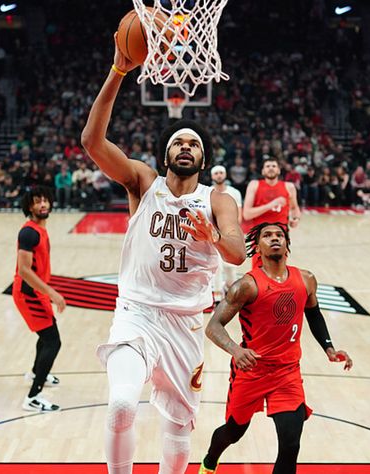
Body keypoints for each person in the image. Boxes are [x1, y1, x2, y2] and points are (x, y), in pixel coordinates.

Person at [81, 35, 246, 474]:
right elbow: (92, 141)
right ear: (166, 154)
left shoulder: (218, 200)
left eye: (194, 143)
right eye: (178, 142)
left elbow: (236, 254)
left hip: (185, 323)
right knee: (121, 404)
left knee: (177, 426)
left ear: (203, 159)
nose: (186, 146)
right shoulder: (143, 183)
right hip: (136, 313)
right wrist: (118, 71)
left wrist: (212, 234)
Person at [199, 222, 352, 474]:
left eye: (279, 235)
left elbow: (314, 314)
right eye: (267, 235)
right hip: (251, 371)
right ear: (257, 247)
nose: (274, 238)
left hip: (287, 373)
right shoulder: (246, 286)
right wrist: (236, 350)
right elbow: (213, 326)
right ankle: (210, 460)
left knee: (290, 445)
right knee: (234, 432)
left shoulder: (306, 279)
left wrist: (329, 348)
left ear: (287, 245)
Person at [12, 186, 66, 412]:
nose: (43, 204)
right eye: (37, 201)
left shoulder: (40, 229)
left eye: (45, 200)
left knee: (46, 337)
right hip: (28, 294)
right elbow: (24, 270)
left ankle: (36, 373)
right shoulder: (29, 233)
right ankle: (33, 397)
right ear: (29, 206)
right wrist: (52, 293)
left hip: (36, 292)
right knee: (53, 341)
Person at [243, 157, 301, 267]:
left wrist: (296, 218)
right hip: (260, 235)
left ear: (279, 170)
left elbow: (294, 208)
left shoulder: (289, 186)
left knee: (279, 269)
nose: (271, 168)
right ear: (263, 171)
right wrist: (270, 205)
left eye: (274, 166)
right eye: (268, 166)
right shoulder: (254, 185)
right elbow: (247, 214)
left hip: (280, 235)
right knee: (259, 270)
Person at [210, 165, 243, 301]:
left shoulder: (234, 192)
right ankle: (218, 297)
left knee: (230, 267)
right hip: (214, 236)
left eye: (221, 173)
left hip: (231, 234)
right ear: (212, 176)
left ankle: (230, 290)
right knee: (216, 267)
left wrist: (232, 232)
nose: (219, 175)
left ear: (225, 174)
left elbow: (239, 215)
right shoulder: (208, 192)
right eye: (216, 173)